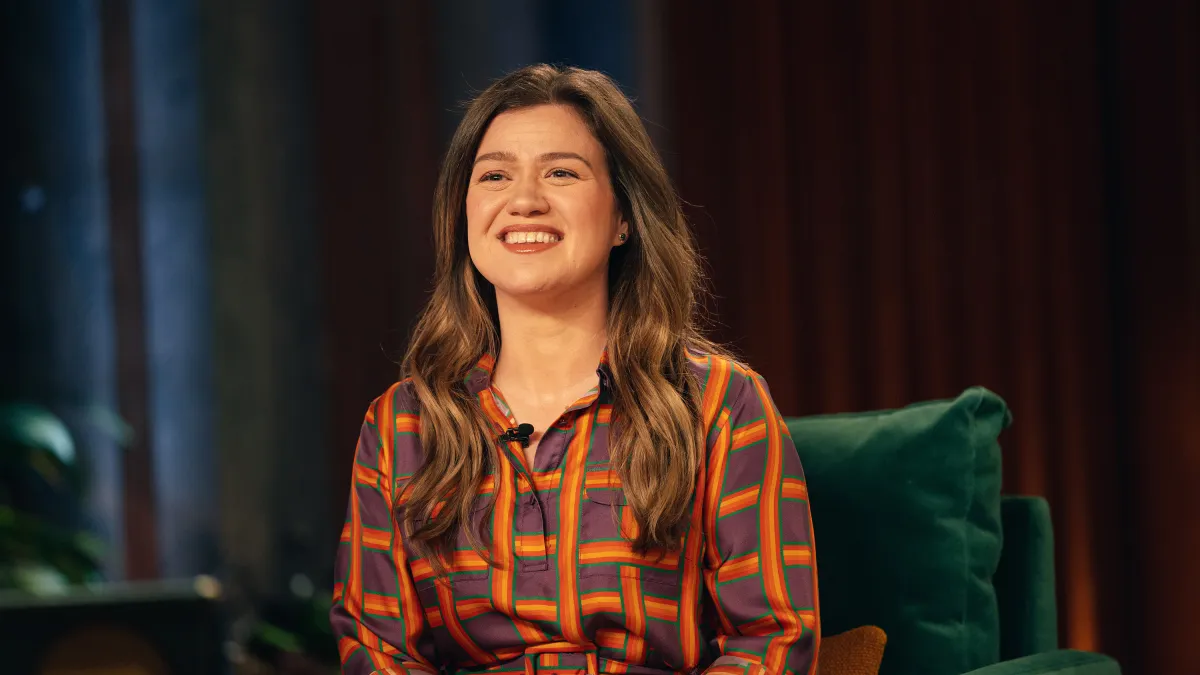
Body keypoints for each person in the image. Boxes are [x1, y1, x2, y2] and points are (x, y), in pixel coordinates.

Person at [330, 64, 819, 675]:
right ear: (463, 214)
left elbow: (771, 642)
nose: (524, 201)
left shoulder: (721, 402)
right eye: (495, 176)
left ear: (624, 218)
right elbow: (379, 653)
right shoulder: (401, 425)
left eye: (561, 172)